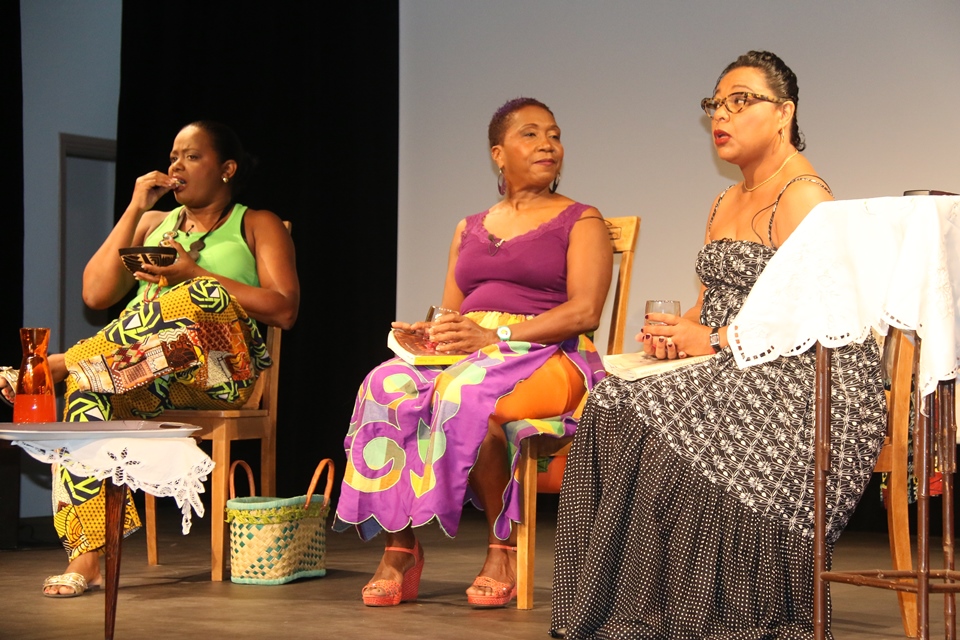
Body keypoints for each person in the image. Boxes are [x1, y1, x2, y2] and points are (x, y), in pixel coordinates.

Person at [550, 51, 886, 639]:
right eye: (715, 105)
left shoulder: (805, 196)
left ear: (784, 113)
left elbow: (822, 316)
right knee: (612, 399)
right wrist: (676, 336)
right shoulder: (724, 201)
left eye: (740, 101)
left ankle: (694, 611)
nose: (721, 116)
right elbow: (707, 304)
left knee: (655, 418)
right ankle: (620, 605)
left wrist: (714, 338)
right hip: (733, 357)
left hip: (806, 371)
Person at [333, 97, 612, 607]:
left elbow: (585, 311)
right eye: (530, 134)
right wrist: (430, 332)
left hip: (547, 351)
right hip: (471, 353)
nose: (548, 144)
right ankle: (400, 547)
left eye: (554, 134)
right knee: (383, 385)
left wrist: (495, 337)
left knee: (467, 392)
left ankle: (502, 548)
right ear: (498, 154)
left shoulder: (581, 219)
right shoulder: (470, 227)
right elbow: (451, 310)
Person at [1, 121, 299, 597]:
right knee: (87, 391)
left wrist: (193, 272)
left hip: (221, 371)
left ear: (227, 169)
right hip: (146, 372)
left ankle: (60, 363)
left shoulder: (255, 223)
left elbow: (284, 309)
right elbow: (95, 294)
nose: (177, 166)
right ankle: (87, 558)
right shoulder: (152, 225)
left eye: (192, 156)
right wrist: (136, 207)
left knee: (198, 295)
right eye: (173, 156)